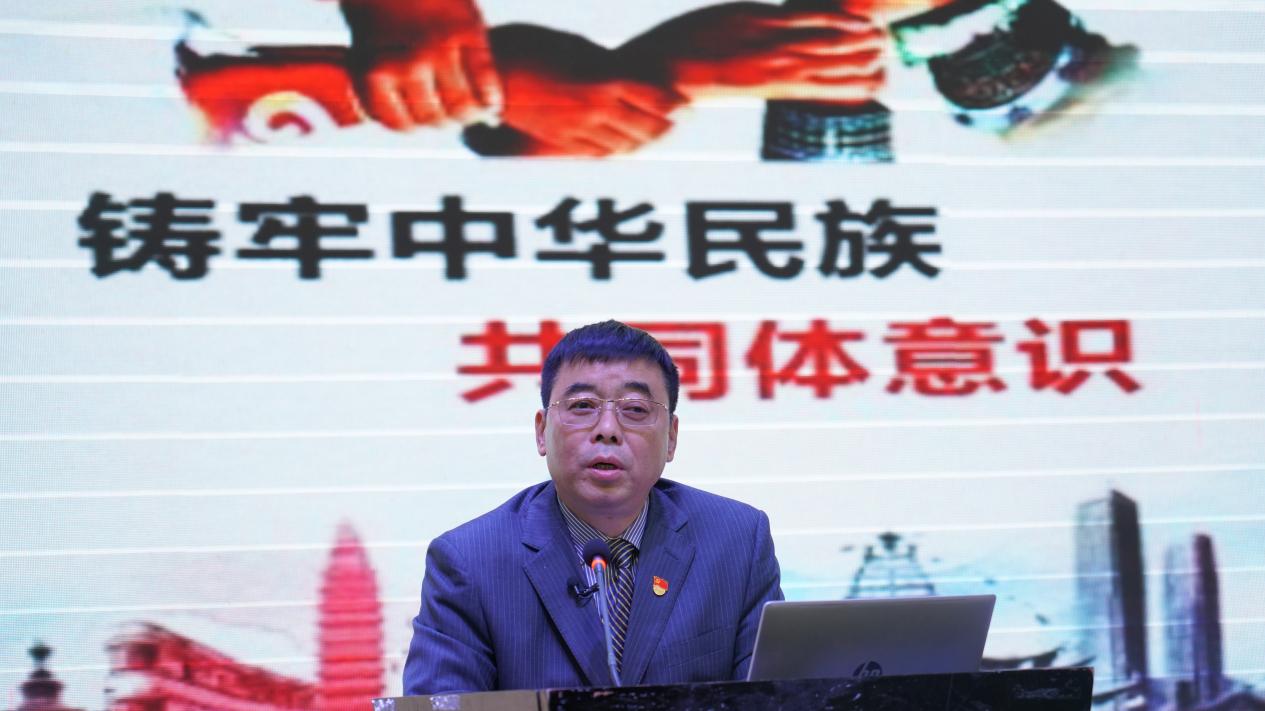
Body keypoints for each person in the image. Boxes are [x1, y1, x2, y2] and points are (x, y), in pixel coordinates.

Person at [402, 321, 783, 695]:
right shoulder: (470, 561)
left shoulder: (737, 542)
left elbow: (777, 698)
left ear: (671, 437)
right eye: (583, 406)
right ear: (541, 431)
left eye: (635, 409)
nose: (607, 429)